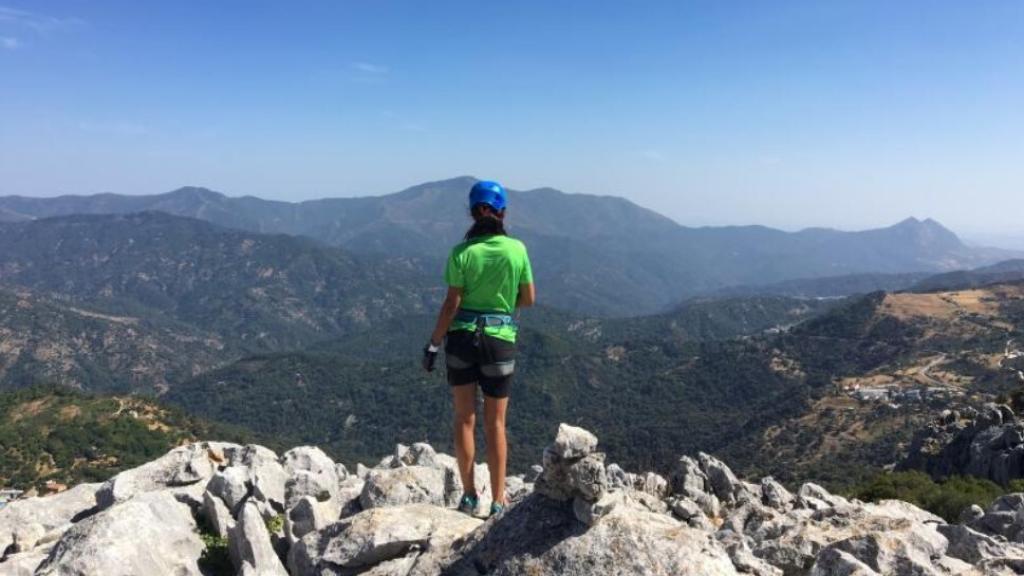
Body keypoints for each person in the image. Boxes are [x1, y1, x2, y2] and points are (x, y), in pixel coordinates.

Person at [422, 180, 535, 517]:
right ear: (502, 212)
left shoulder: (461, 253)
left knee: (464, 419)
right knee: (496, 424)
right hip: (499, 341)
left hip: (461, 341)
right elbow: (528, 299)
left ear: (473, 211)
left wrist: (432, 345)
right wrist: (501, 303)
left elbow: (450, 305)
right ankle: (499, 501)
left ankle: (470, 496)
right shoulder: (517, 250)